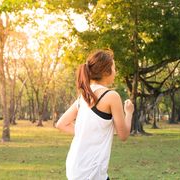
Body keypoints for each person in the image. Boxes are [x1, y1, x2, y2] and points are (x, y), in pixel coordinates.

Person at [56, 49, 134, 180]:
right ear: (105, 72)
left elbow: (61, 124)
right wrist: (129, 113)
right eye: (114, 68)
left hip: (75, 166)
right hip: (91, 171)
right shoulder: (111, 96)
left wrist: (86, 133)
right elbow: (124, 135)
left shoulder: (84, 96)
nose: (115, 72)